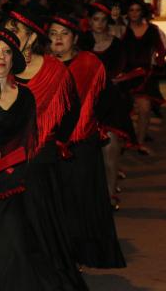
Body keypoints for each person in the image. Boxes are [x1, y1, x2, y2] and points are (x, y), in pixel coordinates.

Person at [6, 8, 88, 290]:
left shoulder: (54, 70)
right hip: (5, 159)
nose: (9, 33)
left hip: (41, 158)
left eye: (15, 29)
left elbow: (70, 111)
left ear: (30, 37)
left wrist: (50, 140)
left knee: (42, 223)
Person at [0, 28, 51, 290]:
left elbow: (30, 138)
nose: (1, 57)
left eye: (6, 52)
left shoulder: (25, 95)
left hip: (17, 181)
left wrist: (20, 170)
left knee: (16, 245)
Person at [47, 15, 126, 269]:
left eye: (64, 34)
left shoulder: (90, 63)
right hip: (48, 146)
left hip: (82, 144)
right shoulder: (41, 65)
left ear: (76, 38)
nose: (58, 38)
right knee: (55, 201)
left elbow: (107, 98)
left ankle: (80, 254)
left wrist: (96, 126)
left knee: (81, 201)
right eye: (53, 33)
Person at [88, 2, 137, 208]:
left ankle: (110, 195)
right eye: (95, 19)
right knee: (90, 155)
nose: (99, 23)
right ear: (89, 21)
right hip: (85, 102)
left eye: (103, 19)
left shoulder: (116, 44)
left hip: (109, 100)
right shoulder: (80, 41)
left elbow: (121, 68)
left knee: (111, 149)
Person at [121, 0, 166, 153]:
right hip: (124, 75)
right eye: (131, 10)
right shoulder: (122, 30)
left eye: (137, 10)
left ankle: (139, 142)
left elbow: (161, 48)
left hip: (145, 74)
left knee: (145, 108)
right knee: (125, 110)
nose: (134, 13)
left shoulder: (152, 29)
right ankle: (126, 140)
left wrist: (158, 63)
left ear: (142, 12)